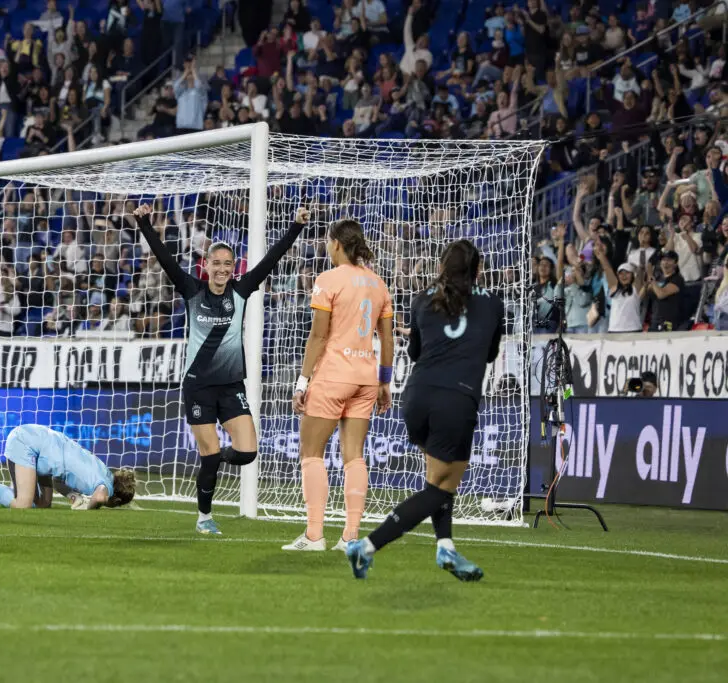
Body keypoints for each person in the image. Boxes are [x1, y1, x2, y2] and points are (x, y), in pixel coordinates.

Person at [134, 202, 309, 535]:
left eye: (228, 263)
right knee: (209, 454)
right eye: (217, 263)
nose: (222, 269)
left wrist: (296, 227)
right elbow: (165, 258)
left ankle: (213, 462)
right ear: (206, 264)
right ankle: (204, 517)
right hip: (198, 386)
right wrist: (144, 225)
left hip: (231, 386)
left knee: (247, 452)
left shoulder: (241, 291)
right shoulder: (191, 289)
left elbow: (271, 260)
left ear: (233, 267)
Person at [346, 240, 503, 582]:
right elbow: (490, 355)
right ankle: (367, 546)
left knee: (436, 478)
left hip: (416, 398)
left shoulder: (421, 300)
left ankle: (445, 546)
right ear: (478, 271)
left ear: (441, 267)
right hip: (456, 400)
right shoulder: (492, 304)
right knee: (442, 488)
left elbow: (415, 352)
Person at [283, 219, 394, 552]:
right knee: (354, 457)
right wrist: (384, 383)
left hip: (333, 376)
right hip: (365, 378)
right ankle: (350, 537)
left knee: (311, 453)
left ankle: (315, 535)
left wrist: (302, 382)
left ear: (336, 244)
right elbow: (386, 339)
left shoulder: (327, 279)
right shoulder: (378, 284)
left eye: (327, 242)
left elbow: (318, 335)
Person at [0, 424, 137, 510]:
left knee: (43, 503)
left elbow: (58, 479)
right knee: (23, 504)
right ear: (117, 500)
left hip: (44, 447)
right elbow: (100, 496)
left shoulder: (101, 470)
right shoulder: (106, 486)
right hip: (27, 444)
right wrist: (91, 506)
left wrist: (74, 497)